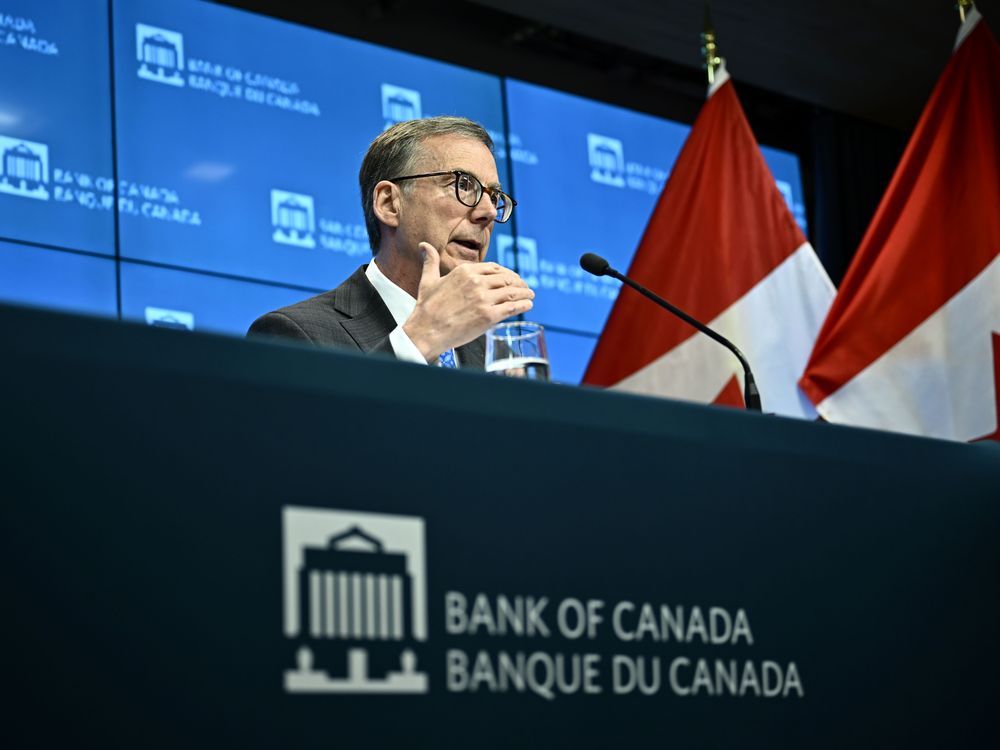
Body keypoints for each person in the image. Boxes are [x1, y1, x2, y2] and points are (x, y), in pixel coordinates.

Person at [247, 116, 534, 369]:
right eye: (462, 185)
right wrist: (420, 339)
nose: (486, 212)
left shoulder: (493, 354)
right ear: (389, 204)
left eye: (494, 197)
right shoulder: (295, 335)